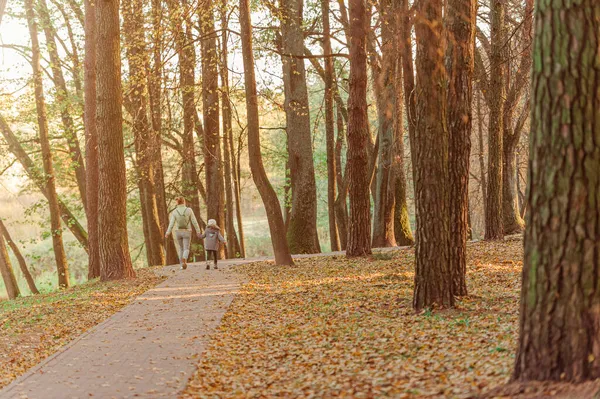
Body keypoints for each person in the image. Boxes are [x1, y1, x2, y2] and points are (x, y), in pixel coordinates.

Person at [165, 197, 201, 270]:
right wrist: (198, 231)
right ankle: (185, 258)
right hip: (187, 231)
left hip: (178, 232)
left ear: (177, 203)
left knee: (181, 248)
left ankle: (181, 265)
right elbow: (194, 221)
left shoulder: (175, 211)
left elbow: (171, 223)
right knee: (186, 248)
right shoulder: (189, 210)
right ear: (184, 202)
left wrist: (167, 232)